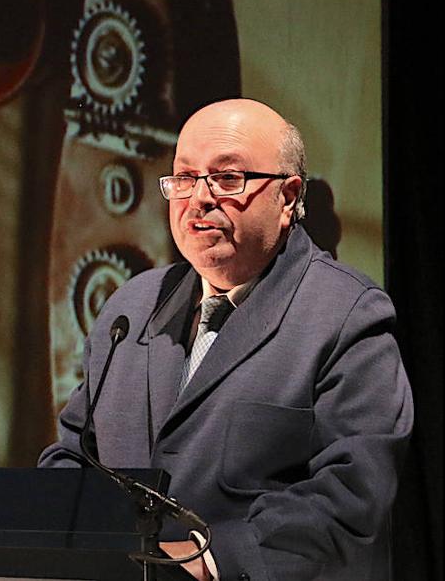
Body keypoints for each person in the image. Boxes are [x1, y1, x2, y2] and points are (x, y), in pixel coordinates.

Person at [39, 98, 413, 580]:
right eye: (184, 178)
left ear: (287, 197)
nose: (199, 198)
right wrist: (43, 540)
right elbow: (74, 454)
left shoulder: (347, 314)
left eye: (227, 178)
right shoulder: (131, 307)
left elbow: (354, 493)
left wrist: (208, 559)